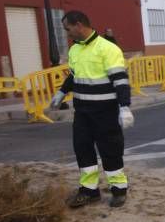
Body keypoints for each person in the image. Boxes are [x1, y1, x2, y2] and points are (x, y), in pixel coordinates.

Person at [49, 11, 134, 208]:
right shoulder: (74, 50)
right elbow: (74, 76)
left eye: (68, 28)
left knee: (110, 150)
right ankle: (89, 191)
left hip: (105, 111)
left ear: (79, 25)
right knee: (82, 149)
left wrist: (124, 107)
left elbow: (120, 81)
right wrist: (62, 92)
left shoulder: (108, 49)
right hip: (82, 112)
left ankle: (119, 190)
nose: (67, 33)